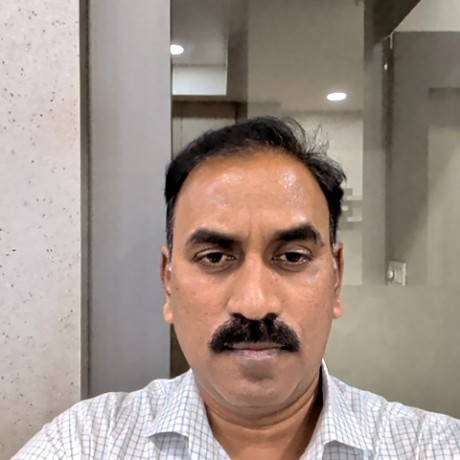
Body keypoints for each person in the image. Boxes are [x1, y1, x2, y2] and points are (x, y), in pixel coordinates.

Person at [13, 116, 460, 459]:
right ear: (168, 281)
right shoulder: (86, 443)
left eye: (292, 257)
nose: (255, 303)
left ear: (336, 276)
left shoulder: (433, 447)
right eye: (214, 258)